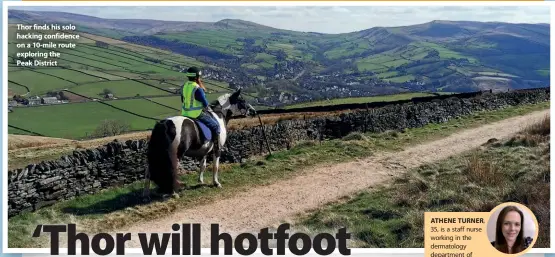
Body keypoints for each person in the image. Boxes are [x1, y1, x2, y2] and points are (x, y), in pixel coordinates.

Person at [181, 67, 220, 146]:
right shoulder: (197, 88)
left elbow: (182, 100)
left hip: (185, 113)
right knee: (215, 126)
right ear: (196, 77)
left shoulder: (184, 86)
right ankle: (216, 146)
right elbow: (205, 103)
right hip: (196, 114)